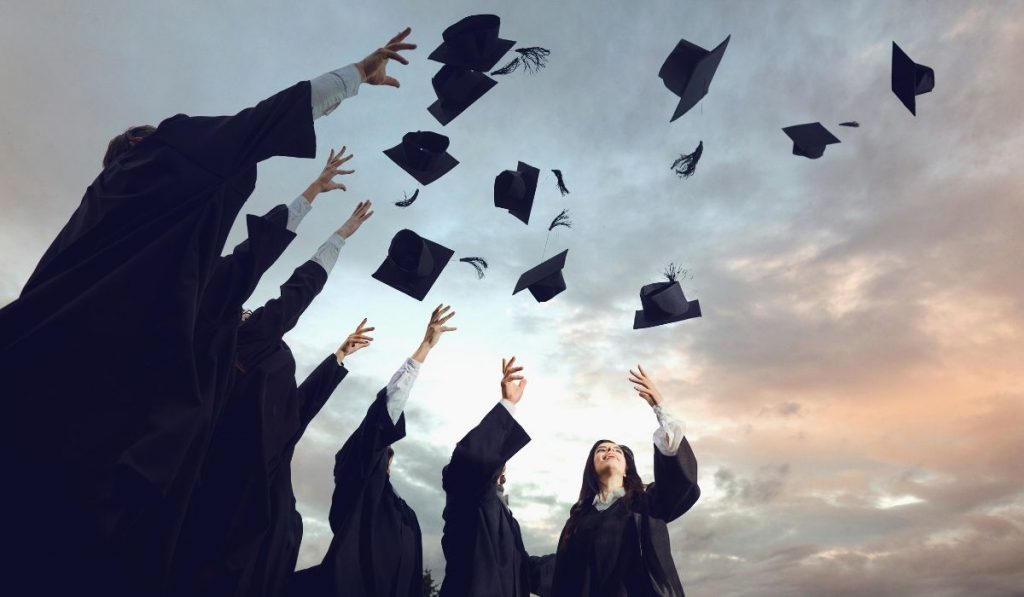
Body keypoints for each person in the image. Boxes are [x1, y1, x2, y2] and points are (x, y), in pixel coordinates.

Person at [0, 28, 416, 596]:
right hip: (107, 480)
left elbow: (255, 260)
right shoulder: (149, 174)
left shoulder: (111, 251)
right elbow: (247, 144)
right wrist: (352, 79)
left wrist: (317, 201)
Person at [171, 185, 373, 597]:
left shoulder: (241, 352)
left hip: (245, 499)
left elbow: (295, 412)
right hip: (234, 501)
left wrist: (336, 359)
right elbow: (298, 289)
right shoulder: (247, 337)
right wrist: (337, 234)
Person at [291, 305, 458, 597]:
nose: (385, 451)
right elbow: (382, 417)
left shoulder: (404, 513)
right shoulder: (358, 487)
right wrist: (424, 349)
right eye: (381, 449)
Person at [549, 366, 700, 597]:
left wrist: (659, 407)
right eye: (602, 450)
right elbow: (561, 573)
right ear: (592, 468)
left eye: (616, 450)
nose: (609, 450)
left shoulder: (647, 503)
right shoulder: (578, 521)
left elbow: (680, 482)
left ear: (627, 470)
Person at [438, 357, 555, 597]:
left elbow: (524, 571)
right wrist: (508, 405)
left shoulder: (506, 518)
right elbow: (471, 461)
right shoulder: (466, 496)